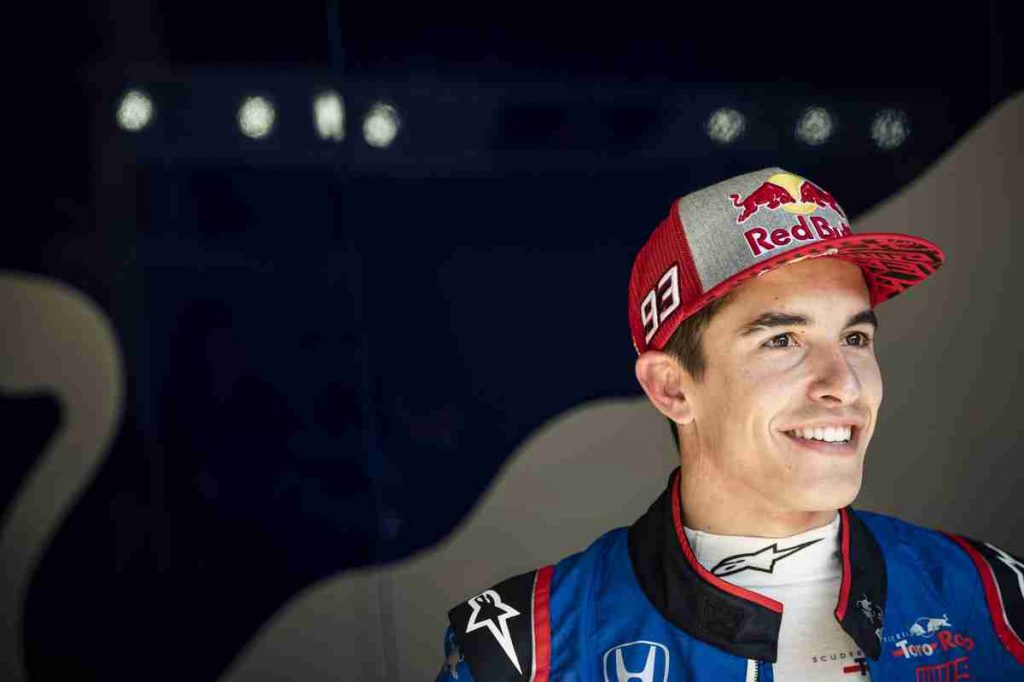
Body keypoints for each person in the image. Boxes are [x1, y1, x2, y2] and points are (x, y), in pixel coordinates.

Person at [434, 168, 1024, 681]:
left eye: (854, 337)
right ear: (671, 388)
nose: (844, 384)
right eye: (782, 340)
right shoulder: (521, 652)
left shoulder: (995, 597)